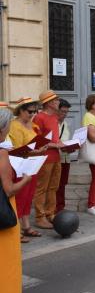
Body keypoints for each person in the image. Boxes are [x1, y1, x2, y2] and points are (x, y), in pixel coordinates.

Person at [0, 107, 33, 293]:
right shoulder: (2, 152)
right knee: (7, 263)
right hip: (3, 211)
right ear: (4, 127)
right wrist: (27, 177)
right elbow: (9, 189)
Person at [8, 97, 47, 243]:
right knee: (20, 197)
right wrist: (36, 151)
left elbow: (35, 142)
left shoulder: (32, 124)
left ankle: (26, 225)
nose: (33, 114)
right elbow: (17, 150)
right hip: (19, 165)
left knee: (29, 195)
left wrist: (42, 147)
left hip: (32, 163)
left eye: (35, 111)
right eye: (30, 111)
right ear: (21, 111)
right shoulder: (14, 126)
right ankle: (15, 229)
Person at [33, 90, 65, 229]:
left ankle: (50, 213)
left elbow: (54, 139)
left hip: (56, 157)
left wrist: (64, 145)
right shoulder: (39, 118)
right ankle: (40, 217)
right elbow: (36, 141)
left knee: (53, 187)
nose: (58, 102)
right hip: (44, 158)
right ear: (50, 103)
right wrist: (55, 144)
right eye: (56, 100)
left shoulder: (55, 117)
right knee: (41, 188)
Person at [56, 98, 72, 212]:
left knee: (63, 183)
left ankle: (61, 206)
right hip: (56, 158)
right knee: (56, 184)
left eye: (67, 112)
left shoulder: (65, 124)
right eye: (63, 111)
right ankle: (55, 207)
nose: (65, 114)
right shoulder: (53, 123)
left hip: (66, 158)